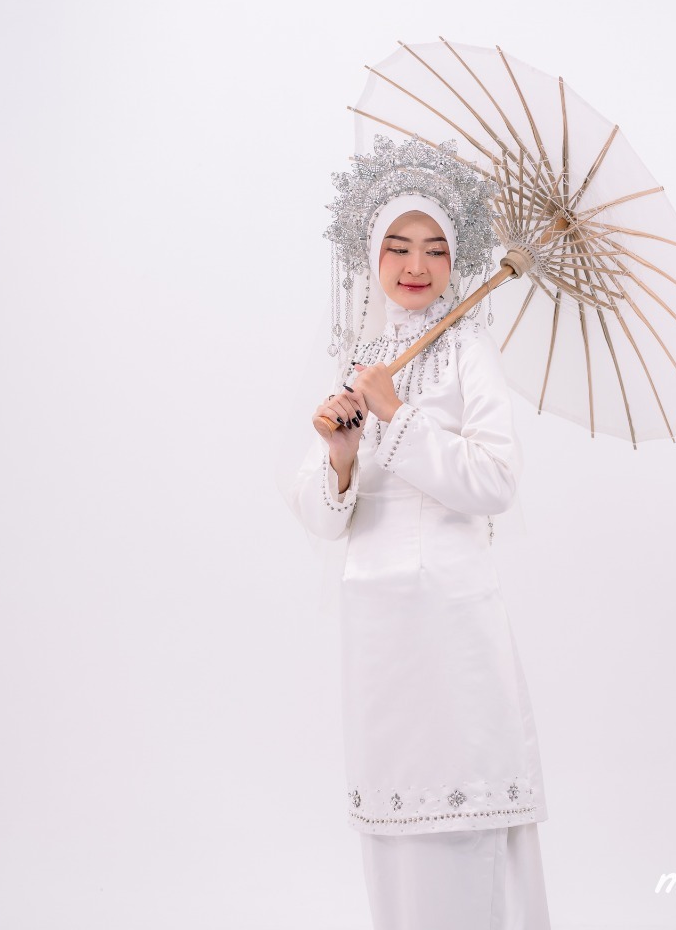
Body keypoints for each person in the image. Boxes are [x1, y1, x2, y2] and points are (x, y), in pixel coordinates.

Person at [289, 139, 550, 930]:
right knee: (395, 832)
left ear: (456, 261)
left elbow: (495, 483)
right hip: (379, 629)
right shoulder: (361, 359)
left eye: (436, 248)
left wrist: (396, 415)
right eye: (398, 247)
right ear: (371, 255)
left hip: (452, 617)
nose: (415, 265)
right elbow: (321, 515)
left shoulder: (470, 350)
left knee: (463, 823)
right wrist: (341, 455)